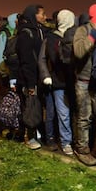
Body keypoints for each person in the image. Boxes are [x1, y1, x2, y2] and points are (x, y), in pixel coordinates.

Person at [73, 3, 96, 166]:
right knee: (84, 118)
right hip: (83, 82)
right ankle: (82, 150)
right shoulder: (84, 30)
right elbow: (79, 52)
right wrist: (93, 35)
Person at [38, 9, 75, 155]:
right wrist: (46, 75)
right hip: (56, 81)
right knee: (56, 112)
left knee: (60, 112)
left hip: (61, 81)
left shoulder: (67, 36)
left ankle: (55, 139)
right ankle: (60, 141)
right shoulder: (51, 38)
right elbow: (42, 59)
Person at [16, 4, 47, 150]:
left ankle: (30, 134)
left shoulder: (36, 30)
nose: (44, 16)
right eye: (41, 14)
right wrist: (30, 84)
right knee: (29, 107)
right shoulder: (26, 33)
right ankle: (29, 136)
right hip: (28, 78)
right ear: (33, 15)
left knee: (32, 106)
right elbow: (26, 61)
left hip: (35, 77)